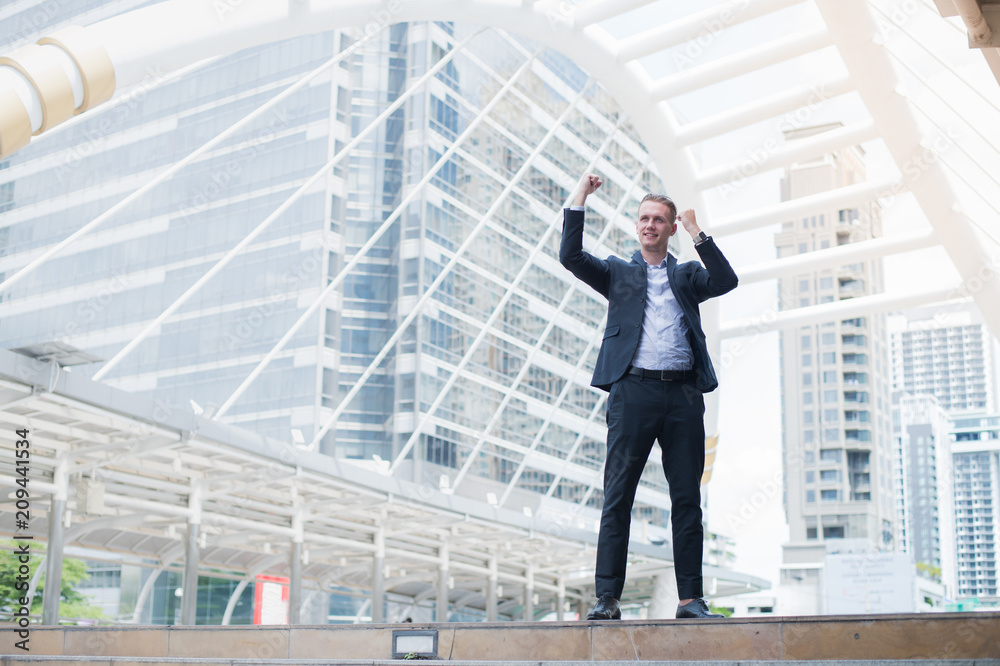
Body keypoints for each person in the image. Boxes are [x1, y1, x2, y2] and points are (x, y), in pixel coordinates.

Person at [559, 173, 738, 620]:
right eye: (644, 218)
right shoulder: (617, 273)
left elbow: (726, 280)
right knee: (617, 495)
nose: (650, 225)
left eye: (659, 220)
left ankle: (690, 600)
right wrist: (580, 196)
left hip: (683, 397)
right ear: (636, 225)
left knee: (687, 501)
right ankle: (607, 598)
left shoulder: (688, 274)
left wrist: (697, 231)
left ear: (671, 228)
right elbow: (570, 256)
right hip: (632, 392)